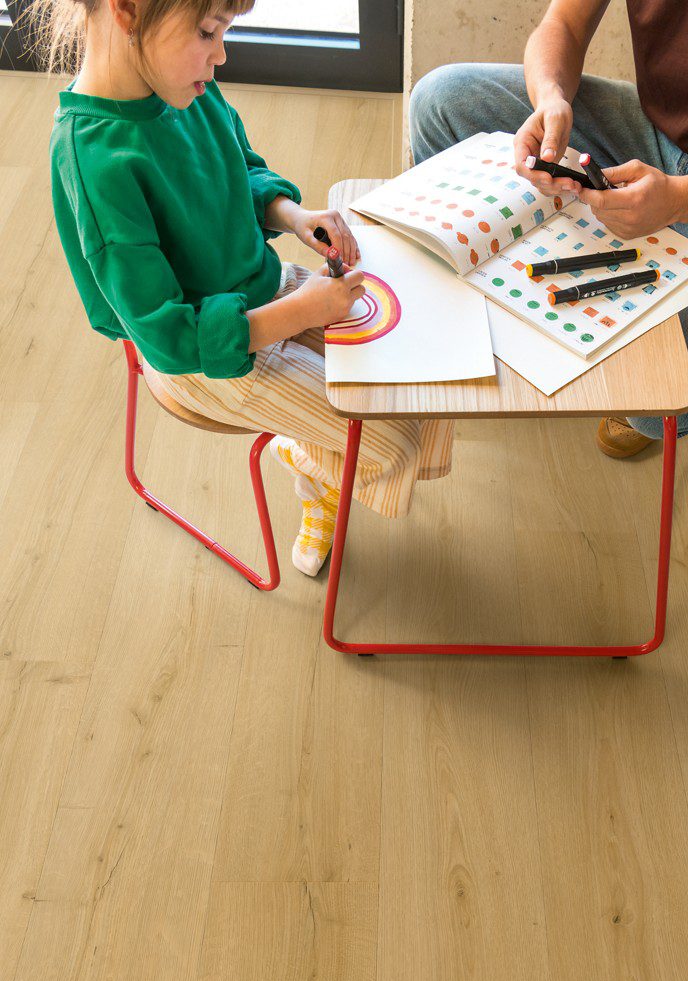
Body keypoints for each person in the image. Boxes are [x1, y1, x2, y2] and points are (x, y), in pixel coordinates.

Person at [42, 0, 453, 576]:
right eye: (208, 32)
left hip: (268, 288)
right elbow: (171, 340)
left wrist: (293, 216)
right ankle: (310, 466)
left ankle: (324, 457)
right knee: (393, 445)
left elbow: (241, 169)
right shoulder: (96, 159)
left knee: (428, 379)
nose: (221, 54)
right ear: (128, 10)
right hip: (213, 361)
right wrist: (302, 311)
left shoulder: (184, 83)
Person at [410, 0, 688, 457]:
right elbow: (564, 23)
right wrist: (550, 97)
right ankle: (499, 307)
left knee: (656, 398)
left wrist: (685, 199)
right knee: (441, 101)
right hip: (653, 131)